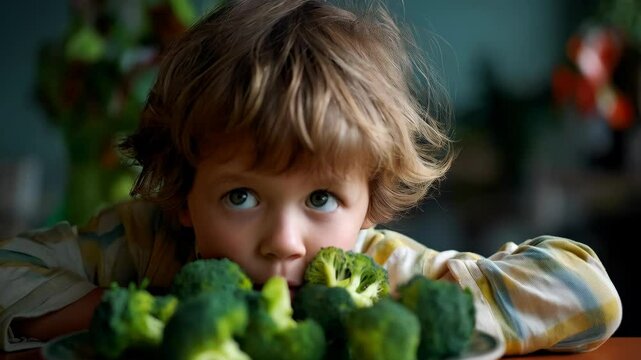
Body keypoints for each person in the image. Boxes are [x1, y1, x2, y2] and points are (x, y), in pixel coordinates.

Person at [0, 0, 621, 355]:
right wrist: (129, 315)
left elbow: (590, 294)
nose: (285, 240)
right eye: (240, 196)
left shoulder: (382, 272)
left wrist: (423, 320)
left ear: (369, 205)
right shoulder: (142, 245)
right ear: (183, 195)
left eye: (322, 198)